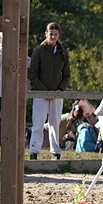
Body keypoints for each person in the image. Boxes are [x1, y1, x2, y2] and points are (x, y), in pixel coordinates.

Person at [28, 23, 70, 160]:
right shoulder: (39, 51)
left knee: (55, 123)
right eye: (51, 34)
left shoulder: (62, 51)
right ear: (46, 34)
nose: (53, 36)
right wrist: (44, 91)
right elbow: (32, 74)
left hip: (57, 93)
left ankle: (55, 151)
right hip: (41, 93)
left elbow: (66, 75)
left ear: (59, 35)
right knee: (38, 123)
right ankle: (34, 150)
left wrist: (59, 90)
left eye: (55, 34)